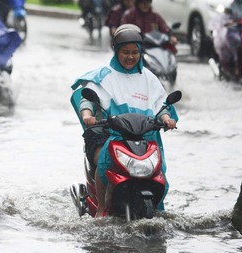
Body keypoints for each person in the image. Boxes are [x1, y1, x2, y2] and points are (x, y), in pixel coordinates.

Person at [70, 24, 178, 217]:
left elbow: (161, 104)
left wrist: (167, 119)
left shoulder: (149, 77)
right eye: (125, 52)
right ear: (117, 51)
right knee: (104, 164)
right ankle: (102, 209)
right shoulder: (106, 76)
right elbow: (88, 97)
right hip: (116, 136)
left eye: (135, 52)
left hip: (146, 138)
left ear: (141, 52)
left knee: (160, 172)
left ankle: (158, 209)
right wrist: (87, 114)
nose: (130, 57)